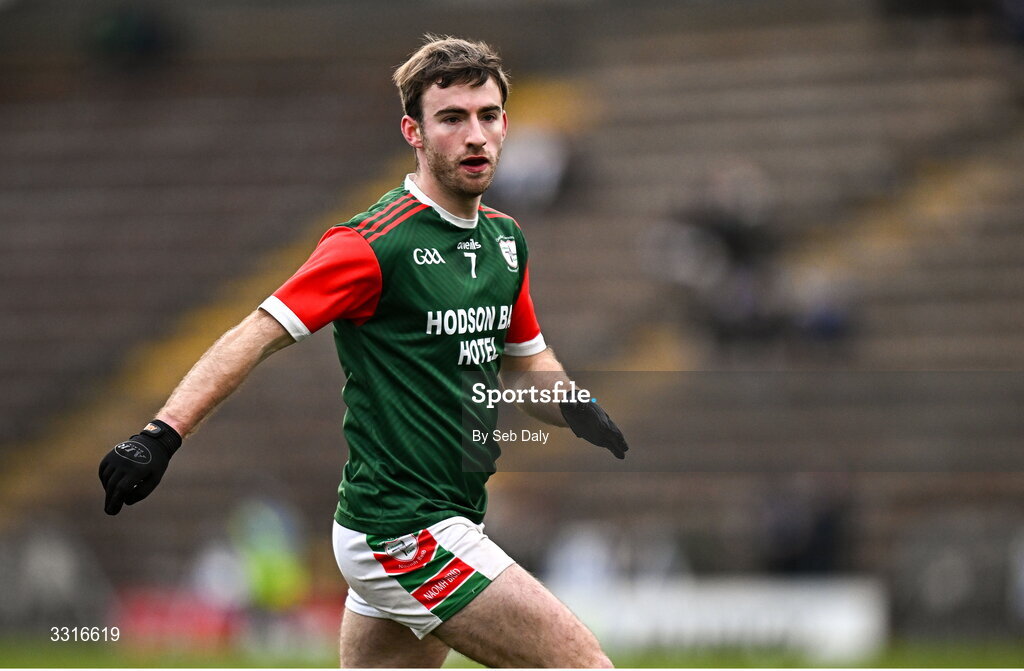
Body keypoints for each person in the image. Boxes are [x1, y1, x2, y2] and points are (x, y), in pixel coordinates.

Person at [98, 35, 629, 668]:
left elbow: (527, 362)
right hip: (402, 530)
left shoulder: (505, 242)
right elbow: (255, 334)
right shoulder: (372, 243)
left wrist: (575, 406)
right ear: (415, 130)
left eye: (487, 116)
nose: (475, 136)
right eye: (452, 119)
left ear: (507, 124)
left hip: (443, 518)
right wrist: (161, 434)